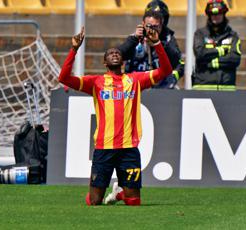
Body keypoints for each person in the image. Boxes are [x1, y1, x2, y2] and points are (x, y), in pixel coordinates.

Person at [58, 27, 172, 206]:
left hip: (128, 148)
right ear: (105, 62)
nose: (114, 54)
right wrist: (74, 49)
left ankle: (119, 194)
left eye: (117, 52)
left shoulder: (134, 80)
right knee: (94, 202)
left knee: (133, 202)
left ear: (123, 61)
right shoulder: (96, 82)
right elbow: (64, 78)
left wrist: (156, 43)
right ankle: (109, 191)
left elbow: (166, 70)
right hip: (104, 148)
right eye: (110, 53)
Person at [118, 4, 184, 89]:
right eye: (149, 26)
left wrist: (158, 43)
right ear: (143, 24)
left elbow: (177, 60)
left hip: (160, 89)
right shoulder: (135, 38)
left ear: (161, 26)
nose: (151, 30)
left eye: (155, 27)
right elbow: (119, 55)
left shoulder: (167, 38)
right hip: (136, 87)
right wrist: (134, 39)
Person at [193, 0, 241, 91]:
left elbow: (235, 59)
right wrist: (221, 51)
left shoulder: (232, 35)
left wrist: (211, 62)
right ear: (209, 15)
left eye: (219, 13)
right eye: (213, 14)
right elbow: (200, 55)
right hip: (203, 87)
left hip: (227, 88)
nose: (216, 17)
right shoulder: (200, 34)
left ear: (224, 14)